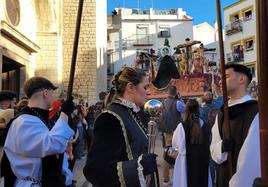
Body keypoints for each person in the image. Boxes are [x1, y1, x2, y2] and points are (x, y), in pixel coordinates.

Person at [83, 67, 158, 187]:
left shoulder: (135, 113)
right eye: (145, 87)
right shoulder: (110, 118)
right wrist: (139, 166)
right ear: (130, 87)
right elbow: (94, 169)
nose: (148, 92)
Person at [2, 76, 75, 187]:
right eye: (52, 93)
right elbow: (52, 145)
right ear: (45, 93)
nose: (54, 97)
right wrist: (64, 114)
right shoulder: (24, 121)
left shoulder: (35, 118)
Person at [210, 63, 260, 187]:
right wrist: (222, 147)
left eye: (226, 76)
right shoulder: (222, 112)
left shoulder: (255, 111)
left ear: (241, 79)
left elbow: (251, 157)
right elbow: (213, 146)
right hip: (223, 177)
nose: (221, 82)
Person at [172, 99, 211, 187]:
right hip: (202, 162)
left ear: (186, 110)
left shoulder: (181, 127)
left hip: (186, 164)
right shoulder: (205, 125)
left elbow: (176, 145)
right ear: (198, 109)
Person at [160, 86, 185, 186]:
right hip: (176, 134)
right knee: (175, 155)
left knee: (167, 154)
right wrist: (180, 99)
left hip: (166, 133)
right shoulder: (178, 103)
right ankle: (176, 178)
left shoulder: (163, 102)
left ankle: (166, 179)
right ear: (176, 93)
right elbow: (186, 109)